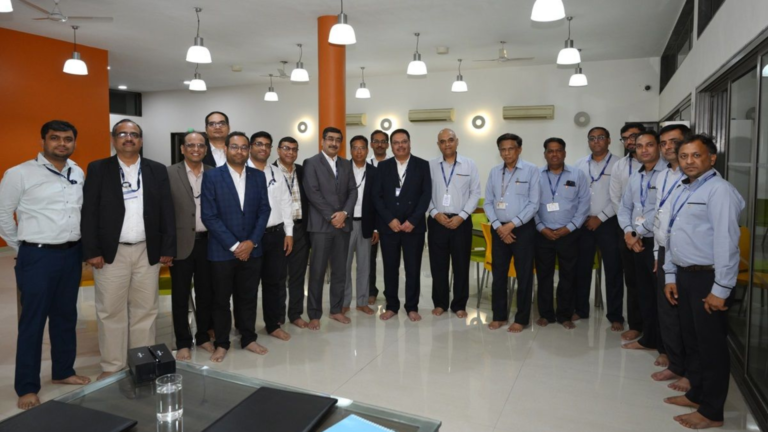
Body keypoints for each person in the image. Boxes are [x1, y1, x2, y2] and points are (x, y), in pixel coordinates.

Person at [0, 121, 91, 409]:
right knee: (33, 322)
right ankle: (27, 386)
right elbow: (3, 215)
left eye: (67, 139)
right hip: (37, 257)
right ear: (43, 141)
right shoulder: (19, 173)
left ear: (74, 142)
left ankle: (63, 371)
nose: (62, 144)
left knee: (66, 317)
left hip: (71, 255)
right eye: (55, 139)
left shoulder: (78, 171)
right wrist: (23, 246)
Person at [81, 119, 175, 380]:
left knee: (146, 310)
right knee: (111, 311)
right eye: (123, 134)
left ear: (141, 141)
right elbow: (88, 213)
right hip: (111, 253)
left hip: (148, 251)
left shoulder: (156, 170)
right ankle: (112, 366)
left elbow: (167, 210)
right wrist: (92, 250)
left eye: (134, 134)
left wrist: (167, 247)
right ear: (114, 140)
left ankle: (143, 364)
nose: (129, 138)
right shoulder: (99, 169)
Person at [662, 134, 743, 430]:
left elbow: (727, 243)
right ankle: (697, 392)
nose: (689, 161)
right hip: (685, 274)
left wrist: (720, 290)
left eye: (696, 156)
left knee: (711, 346)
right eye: (684, 156)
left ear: (712, 158)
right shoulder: (684, 189)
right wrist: (671, 275)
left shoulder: (720, 191)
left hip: (708, 277)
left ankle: (712, 411)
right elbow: (671, 234)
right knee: (692, 340)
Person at [201, 131, 271, 362]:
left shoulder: (257, 176)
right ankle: (222, 343)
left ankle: (248, 338)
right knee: (221, 300)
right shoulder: (212, 177)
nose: (239, 151)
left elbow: (264, 211)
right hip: (222, 251)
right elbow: (209, 216)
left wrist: (250, 242)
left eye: (243, 147)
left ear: (248, 149)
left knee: (248, 297)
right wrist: (234, 245)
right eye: (235, 147)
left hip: (253, 249)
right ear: (226, 149)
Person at [373, 128, 431, 322]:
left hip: (413, 228)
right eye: (396, 142)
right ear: (391, 146)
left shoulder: (422, 165)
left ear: (409, 143)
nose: (400, 145)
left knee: (413, 268)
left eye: (403, 141)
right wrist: (390, 219)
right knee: (390, 268)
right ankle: (392, 306)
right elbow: (377, 196)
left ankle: (412, 306)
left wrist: (413, 221)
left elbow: (426, 195)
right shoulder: (383, 167)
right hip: (389, 227)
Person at [483, 133, 539, 333]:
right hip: (499, 228)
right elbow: (488, 202)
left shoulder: (532, 170)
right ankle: (499, 316)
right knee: (499, 274)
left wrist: (511, 225)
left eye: (510, 148)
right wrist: (499, 225)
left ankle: (521, 318)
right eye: (502, 149)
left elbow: (534, 204)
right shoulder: (494, 172)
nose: (506, 153)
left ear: (519, 149)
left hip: (522, 229)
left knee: (524, 275)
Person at [303, 127, 357, 330]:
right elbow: (312, 192)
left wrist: (344, 213)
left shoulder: (345, 164)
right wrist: (332, 216)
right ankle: (314, 314)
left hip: (343, 225)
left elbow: (353, 191)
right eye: (330, 139)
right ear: (322, 141)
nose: (334, 143)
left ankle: (336, 310)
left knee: (340, 271)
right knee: (317, 271)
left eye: (337, 140)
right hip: (321, 226)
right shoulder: (311, 163)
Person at [617, 130, 666, 353]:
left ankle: (663, 343)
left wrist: (636, 233)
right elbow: (625, 207)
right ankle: (647, 335)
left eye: (649, 145)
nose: (644, 150)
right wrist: (629, 232)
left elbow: (661, 211)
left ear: (659, 147)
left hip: (656, 243)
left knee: (660, 295)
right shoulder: (637, 175)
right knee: (641, 290)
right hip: (636, 241)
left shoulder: (667, 175)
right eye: (639, 146)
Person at [167, 131, 215, 361]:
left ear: (205, 149)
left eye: (200, 145)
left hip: (209, 243)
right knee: (179, 295)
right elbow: (162, 214)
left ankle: (204, 336)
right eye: (191, 145)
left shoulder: (214, 174)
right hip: (180, 245)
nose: (196, 149)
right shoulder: (168, 174)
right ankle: (183, 341)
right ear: (182, 149)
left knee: (206, 293)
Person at [650, 123, 691, 391]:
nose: (667, 147)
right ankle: (675, 363)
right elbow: (659, 215)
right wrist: (657, 253)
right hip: (666, 249)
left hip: (688, 253)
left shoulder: (694, 179)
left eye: (672, 142)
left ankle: (690, 369)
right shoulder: (663, 175)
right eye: (663, 142)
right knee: (666, 309)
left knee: (687, 314)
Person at [533, 138, 589, 329]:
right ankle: (546, 314)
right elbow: (531, 206)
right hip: (543, 233)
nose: (554, 154)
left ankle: (564, 314)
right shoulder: (536, 175)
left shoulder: (577, 174)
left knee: (568, 275)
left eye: (558, 151)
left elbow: (583, 205)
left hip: (569, 234)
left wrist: (570, 227)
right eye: (550, 151)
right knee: (544, 275)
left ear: (564, 153)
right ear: (545, 154)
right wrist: (541, 228)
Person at [573, 127, 625, 331]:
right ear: (588, 142)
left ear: (609, 140)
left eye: (600, 137)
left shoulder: (619, 164)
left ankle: (615, 315)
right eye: (592, 138)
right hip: (584, 223)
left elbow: (620, 197)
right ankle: (580, 309)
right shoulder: (579, 165)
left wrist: (601, 217)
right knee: (582, 268)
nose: (596, 141)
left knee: (613, 269)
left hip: (609, 223)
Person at [427, 129, 481, 318]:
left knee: (461, 265)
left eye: (450, 140)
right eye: (442, 141)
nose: (447, 144)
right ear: (438, 145)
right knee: (438, 265)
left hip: (461, 222)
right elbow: (424, 193)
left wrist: (462, 216)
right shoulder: (431, 166)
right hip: (437, 221)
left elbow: (475, 193)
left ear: (457, 142)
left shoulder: (469, 165)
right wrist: (434, 213)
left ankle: (459, 304)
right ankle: (440, 303)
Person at [247, 131, 293, 341]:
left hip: (275, 235)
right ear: (250, 146)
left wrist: (289, 233)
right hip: (250, 238)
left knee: (274, 283)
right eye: (258, 144)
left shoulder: (276, 172)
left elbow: (286, 203)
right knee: (247, 285)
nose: (262, 148)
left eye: (267, 145)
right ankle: (244, 327)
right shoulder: (241, 171)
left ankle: (273, 324)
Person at [610, 122, 646, 341]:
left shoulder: (660, 166)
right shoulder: (620, 166)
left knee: (650, 283)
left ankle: (654, 329)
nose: (630, 141)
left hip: (651, 234)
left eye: (634, 136)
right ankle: (635, 324)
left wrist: (640, 230)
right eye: (626, 138)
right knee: (631, 280)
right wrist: (629, 230)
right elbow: (616, 200)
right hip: (626, 231)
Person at [274, 137, 311, 328]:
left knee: (298, 274)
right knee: (279, 275)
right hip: (279, 230)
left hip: (301, 229)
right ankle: (278, 317)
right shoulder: (269, 171)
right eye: (286, 149)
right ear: (278, 150)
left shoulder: (303, 171)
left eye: (294, 149)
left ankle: (295, 314)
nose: (290, 152)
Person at [343, 135, 377, 316]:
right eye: (355, 147)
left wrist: (376, 228)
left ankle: (362, 301)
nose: (358, 151)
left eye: (362, 148)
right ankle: (344, 301)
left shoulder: (374, 172)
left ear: (367, 150)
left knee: (364, 265)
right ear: (350, 150)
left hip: (366, 224)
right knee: (344, 265)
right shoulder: (342, 169)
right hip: (346, 225)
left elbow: (378, 201)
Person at [367, 130, 390, 304]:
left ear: (387, 145)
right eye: (376, 141)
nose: (380, 144)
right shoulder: (366, 166)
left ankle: (390, 292)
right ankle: (371, 291)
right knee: (369, 260)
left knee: (391, 260)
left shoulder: (394, 165)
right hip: (371, 220)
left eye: (383, 141)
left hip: (390, 221)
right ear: (371, 144)